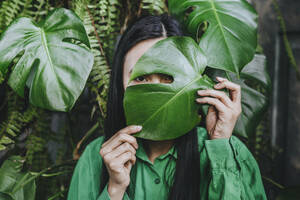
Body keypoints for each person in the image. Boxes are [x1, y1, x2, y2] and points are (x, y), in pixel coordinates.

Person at [67, 14, 267, 200]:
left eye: (168, 77)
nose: (155, 91)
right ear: (120, 82)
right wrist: (115, 189)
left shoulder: (228, 153)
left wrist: (220, 147)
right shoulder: (94, 159)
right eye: (141, 77)